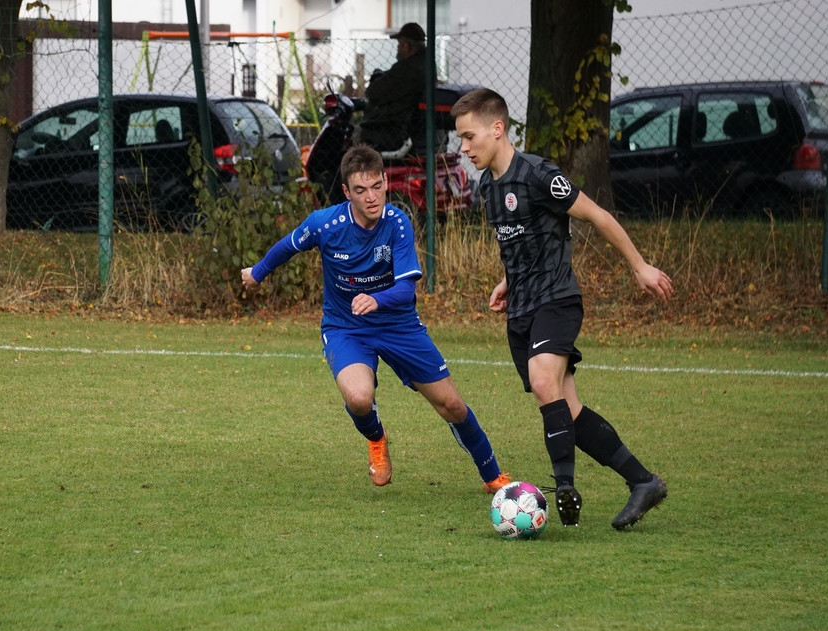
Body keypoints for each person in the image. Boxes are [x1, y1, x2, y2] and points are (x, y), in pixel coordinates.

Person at [450, 88, 674, 530]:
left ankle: (565, 486)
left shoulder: (539, 175)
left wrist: (640, 266)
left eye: (469, 136)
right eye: (461, 139)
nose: (464, 148)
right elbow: (517, 241)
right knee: (566, 408)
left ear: (497, 129)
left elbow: (598, 216)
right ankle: (643, 481)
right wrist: (507, 281)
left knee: (542, 381)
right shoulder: (488, 187)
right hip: (522, 309)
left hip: (557, 298)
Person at [241, 143, 512, 493]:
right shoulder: (326, 224)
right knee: (359, 399)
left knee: (452, 405)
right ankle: (376, 437)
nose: (371, 197)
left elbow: (406, 290)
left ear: (385, 181)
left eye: (376, 186)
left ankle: (493, 477)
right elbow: (288, 246)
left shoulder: (397, 223)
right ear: (346, 192)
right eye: (360, 190)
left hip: (399, 325)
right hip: (346, 328)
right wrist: (257, 273)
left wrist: (376, 299)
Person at [355, 22, 427, 152]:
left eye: (399, 44)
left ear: (406, 46)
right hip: (413, 126)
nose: (398, 48)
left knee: (358, 137)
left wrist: (378, 80)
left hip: (394, 129)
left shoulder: (407, 68)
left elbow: (373, 93)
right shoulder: (426, 64)